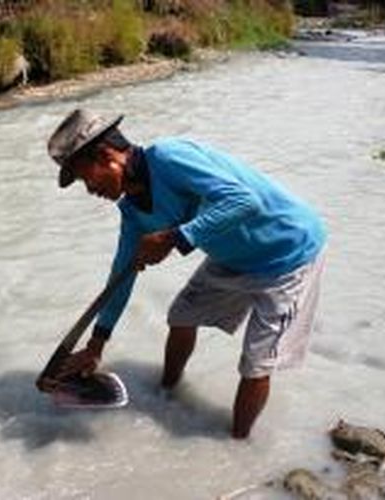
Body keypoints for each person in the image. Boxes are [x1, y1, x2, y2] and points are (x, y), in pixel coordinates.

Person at [47, 109, 327, 439]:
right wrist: (97, 343)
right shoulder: (133, 213)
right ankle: (166, 392)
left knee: (255, 363)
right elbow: (122, 275)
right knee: (181, 316)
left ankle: (237, 444)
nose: (89, 189)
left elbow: (244, 201)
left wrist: (173, 238)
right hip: (233, 256)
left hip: (287, 253)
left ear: (107, 156)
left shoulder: (168, 157)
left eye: (85, 177)